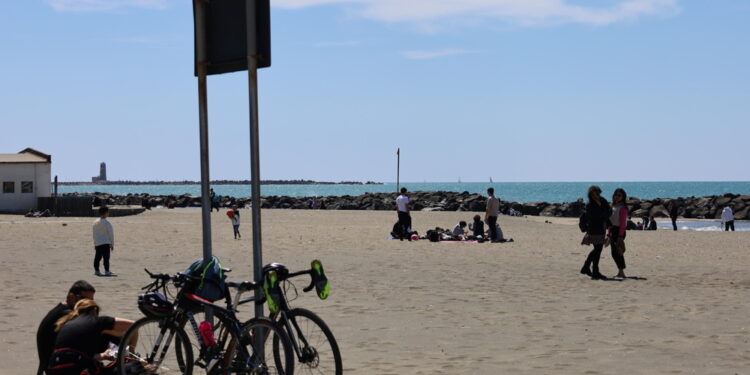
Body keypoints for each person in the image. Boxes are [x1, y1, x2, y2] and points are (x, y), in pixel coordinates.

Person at [49, 299, 134, 375]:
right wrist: (132, 352)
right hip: (77, 367)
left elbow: (74, 354)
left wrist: (103, 356)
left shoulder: (66, 325)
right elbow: (133, 325)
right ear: (94, 310)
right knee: (132, 368)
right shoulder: (96, 321)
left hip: (55, 368)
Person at [37, 281, 96, 375]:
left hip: (53, 363)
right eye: (84, 299)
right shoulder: (67, 315)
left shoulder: (61, 309)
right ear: (71, 297)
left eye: (91, 300)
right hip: (58, 366)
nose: (88, 303)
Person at [581, 185, 612, 280]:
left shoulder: (603, 200)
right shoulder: (589, 204)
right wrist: (603, 215)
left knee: (598, 250)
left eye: (598, 192)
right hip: (594, 229)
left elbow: (609, 212)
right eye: (595, 193)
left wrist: (603, 216)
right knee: (597, 249)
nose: (597, 194)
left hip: (602, 228)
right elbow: (593, 217)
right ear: (591, 194)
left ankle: (588, 268)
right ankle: (593, 270)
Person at [609, 188, 629, 278]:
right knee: (614, 252)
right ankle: (620, 270)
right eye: (616, 195)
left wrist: (620, 236)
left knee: (618, 252)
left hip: (619, 231)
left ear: (623, 197)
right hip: (613, 230)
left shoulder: (622, 208)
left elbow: (623, 224)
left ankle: (621, 271)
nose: (617, 197)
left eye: (619, 195)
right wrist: (608, 233)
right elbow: (610, 222)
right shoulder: (613, 206)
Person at [92, 206, 115, 276]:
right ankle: (107, 271)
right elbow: (111, 235)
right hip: (106, 243)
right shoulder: (108, 223)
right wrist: (112, 244)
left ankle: (96, 270)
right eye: (107, 212)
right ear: (105, 213)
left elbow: (94, 234)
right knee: (106, 258)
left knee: (97, 258)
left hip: (98, 243)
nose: (108, 213)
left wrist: (95, 243)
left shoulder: (95, 222)